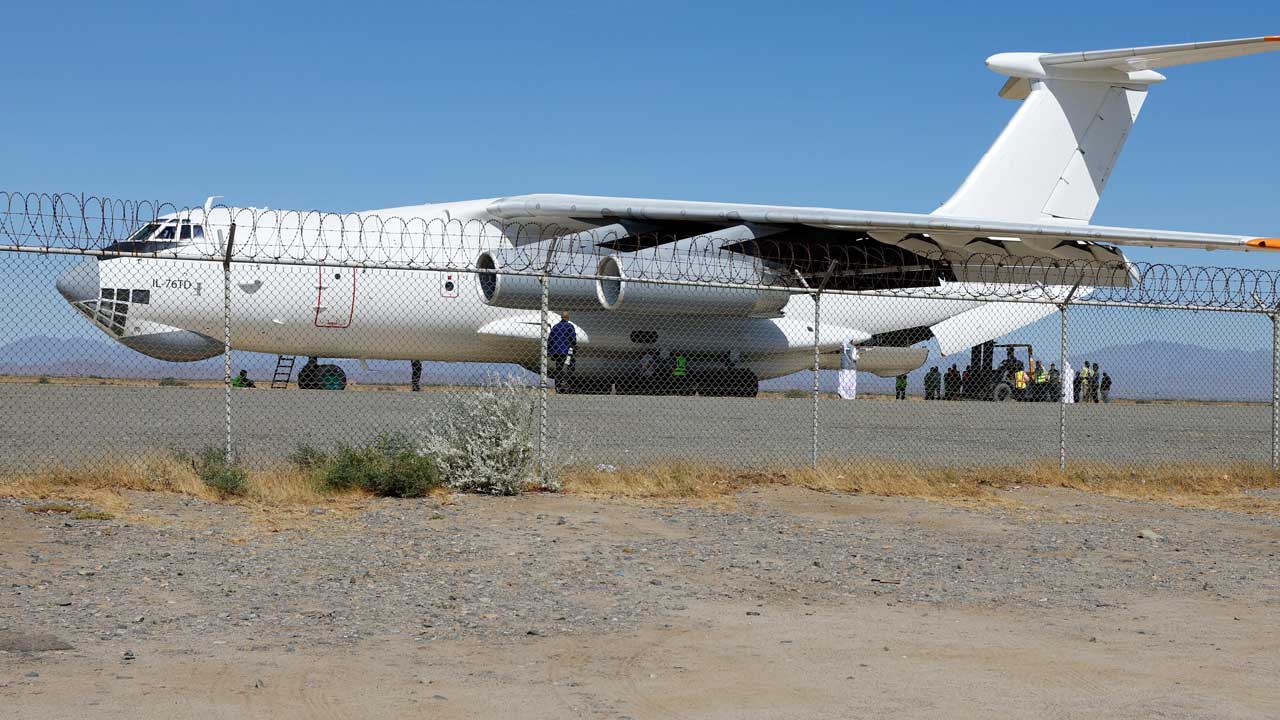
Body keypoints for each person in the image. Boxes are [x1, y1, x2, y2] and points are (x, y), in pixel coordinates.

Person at [548, 313, 577, 381]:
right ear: (568, 318)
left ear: (561, 317)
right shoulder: (569, 326)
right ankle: (568, 379)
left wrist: (549, 350)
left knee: (559, 366)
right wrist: (574, 346)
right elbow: (573, 338)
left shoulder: (555, 326)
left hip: (555, 351)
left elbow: (550, 339)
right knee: (571, 362)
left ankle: (558, 382)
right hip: (565, 351)